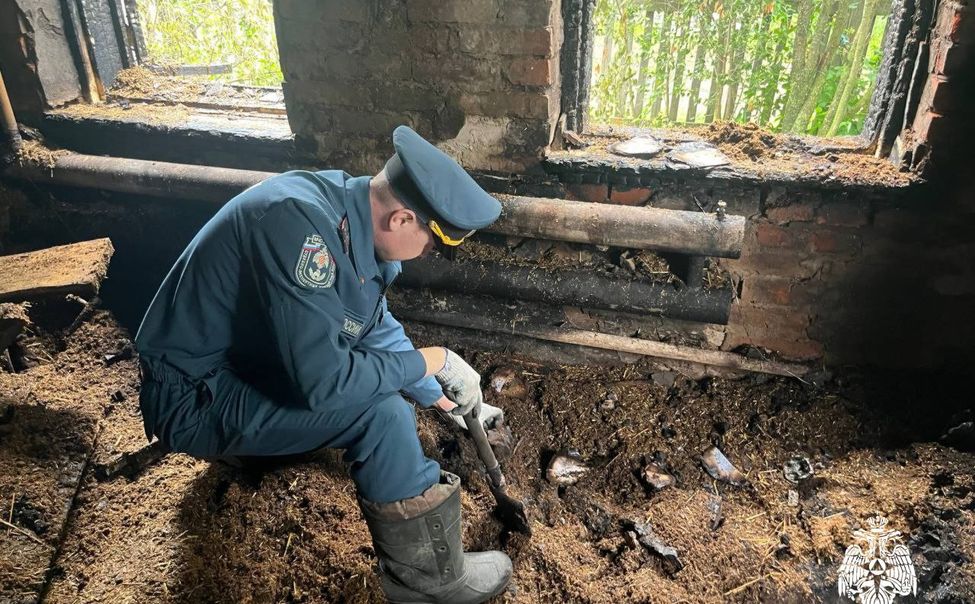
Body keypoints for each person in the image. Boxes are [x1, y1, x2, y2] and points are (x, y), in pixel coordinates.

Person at [135, 125, 513, 603]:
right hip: (194, 396)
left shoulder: (346, 211)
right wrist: (430, 359)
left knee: (391, 389)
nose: (425, 255)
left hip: (243, 366)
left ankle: (262, 446)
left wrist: (436, 389)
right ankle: (433, 585)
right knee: (382, 414)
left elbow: (370, 325)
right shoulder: (298, 228)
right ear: (401, 219)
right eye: (432, 244)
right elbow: (325, 384)